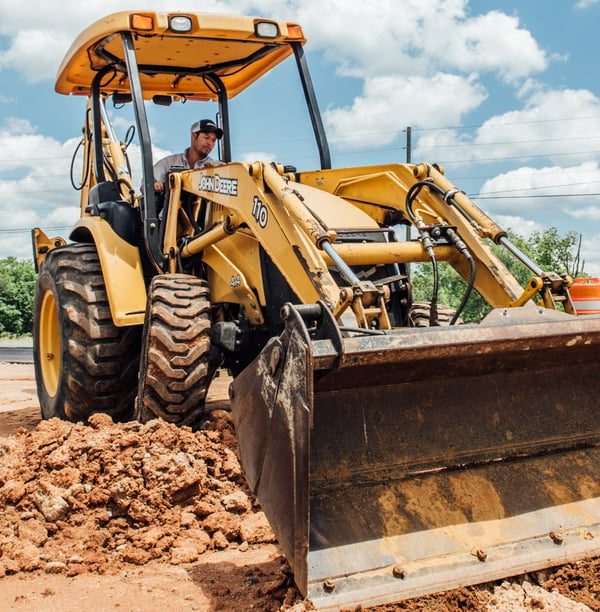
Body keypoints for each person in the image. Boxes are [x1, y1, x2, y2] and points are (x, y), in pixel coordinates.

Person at [153, 119, 224, 192]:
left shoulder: (218, 169)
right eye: (206, 138)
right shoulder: (168, 163)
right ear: (194, 136)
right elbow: (146, 185)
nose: (210, 143)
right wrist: (155, 185)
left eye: (213, 140)